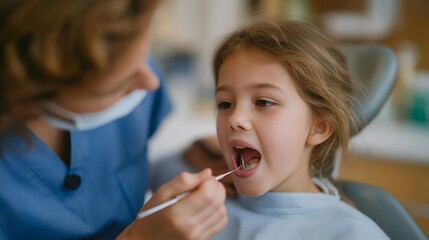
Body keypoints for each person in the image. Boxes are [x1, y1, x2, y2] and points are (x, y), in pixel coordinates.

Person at [0, 0, 228, 239]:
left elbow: (125, 173)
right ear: (29, 92)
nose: (151, 82)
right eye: (118, 85)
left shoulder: (128, 66)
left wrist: (184, 160)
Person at [152, 20, 389, 239]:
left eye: (264, 102)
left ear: (319, 127)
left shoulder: (354, 233)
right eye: (225, 103)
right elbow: (155, 171)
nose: (235, 118)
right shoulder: (195, 212)